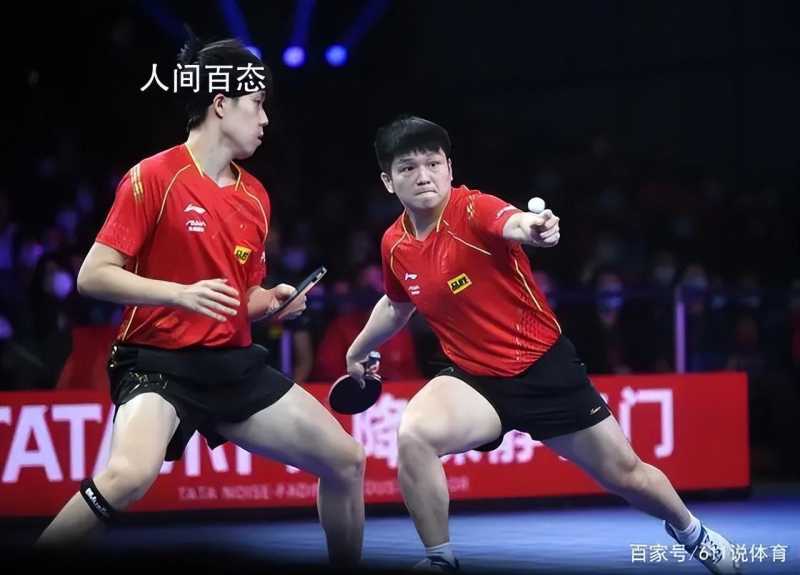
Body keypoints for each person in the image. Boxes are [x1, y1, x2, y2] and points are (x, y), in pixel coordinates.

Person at [345, 115, 740, 573]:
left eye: (433, 163)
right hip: (473, 379)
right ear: (388, 181)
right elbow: (397, 305)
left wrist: (536, 228)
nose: (423, 176)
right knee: (415, 434)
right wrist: (357, 350)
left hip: (543, 368)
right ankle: (441, 559)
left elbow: (513, 222)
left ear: (450, 168)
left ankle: (693, 533)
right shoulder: (394, 243)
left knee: (627, 475)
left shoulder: (474, 210)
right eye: (408, 168)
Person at [35, 33, 365, 566]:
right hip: (158, 365)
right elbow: (92, 277)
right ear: (221, 103)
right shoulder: (153, 177)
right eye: (257, 104)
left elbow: (238, 297)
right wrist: (179, 295)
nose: (265, 120)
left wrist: (271, 301)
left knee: (346, 460)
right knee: (127, 475)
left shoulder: (255, 197)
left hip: (231, 367)